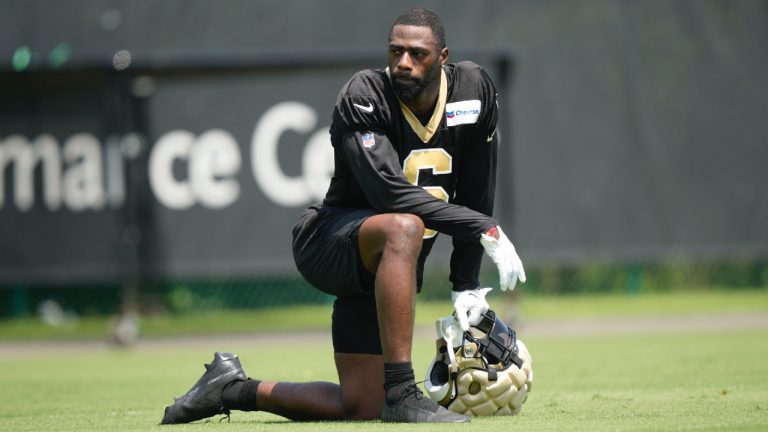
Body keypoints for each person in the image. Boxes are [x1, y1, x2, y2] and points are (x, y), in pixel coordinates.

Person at [160, 7, 525, 424]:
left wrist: (465, 285)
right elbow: (389, 193)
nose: (403, 63)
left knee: (361, 405)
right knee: (404, 226)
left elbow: (477, 190)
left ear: (442, 57)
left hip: (389, 268)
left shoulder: (473, 91)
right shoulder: (365, 94)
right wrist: (483, 227)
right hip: (329, 242)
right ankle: (403, 393)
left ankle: (230, 388)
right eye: (396, 51)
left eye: (417, 54)